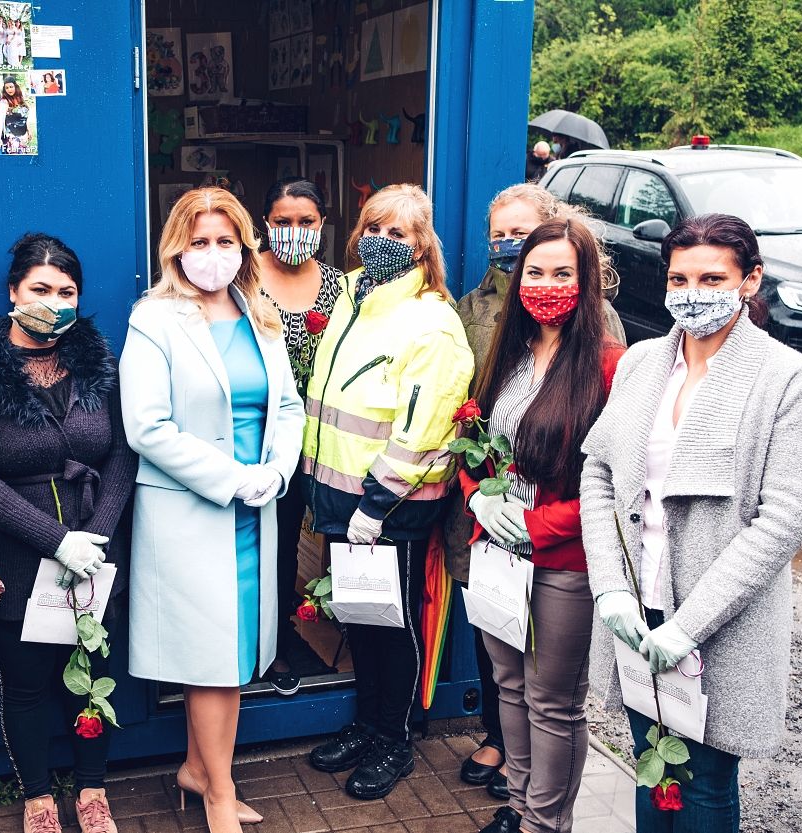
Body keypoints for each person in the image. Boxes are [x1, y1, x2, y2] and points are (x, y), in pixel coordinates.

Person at [581, 214, 802, 833]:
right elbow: (599, 473)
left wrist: (688, 627)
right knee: (650, 764)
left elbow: (783, 520)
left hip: (720, 622)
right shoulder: (641, 364)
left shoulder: (786, 378)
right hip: (640, 608)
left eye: (712, 278)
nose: (692, 293)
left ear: (751, 280)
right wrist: (610, 587)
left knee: (706, 784)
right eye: (678, 278)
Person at [0, 234, 136, 833]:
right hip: (16, 557)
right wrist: (55, 542)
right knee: (24, 684)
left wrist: (97, 535)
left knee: (93, 679)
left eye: (66, 291)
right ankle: (38, 797)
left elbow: (124, 449)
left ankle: (93, 790)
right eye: (41, 290)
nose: (54, 301)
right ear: (13, 293)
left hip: (96, 550)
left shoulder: (96, 360)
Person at [120, 187, 305, 833]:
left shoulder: (260, 310)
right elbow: (147, 427)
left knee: (234, 650)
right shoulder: (155, 317)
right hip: (194, 513)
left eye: (225, 241)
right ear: (177, 246)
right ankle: (219, 793)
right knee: (213, 658)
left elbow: (287, 406)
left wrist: (277, 471)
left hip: (256, 510)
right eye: (200, 241)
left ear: (244, 247)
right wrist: (233, 478)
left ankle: (199, 768)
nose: (213, 253)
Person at [445, 182, 626, 799]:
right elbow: (475, 432)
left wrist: (537, 526)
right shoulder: (508, 349)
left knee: (552, 702)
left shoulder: (607, 362)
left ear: (586, 280)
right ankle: (519, 807)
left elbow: (613, 482)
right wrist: (477, 493)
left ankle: (545, 819)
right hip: (497, 551)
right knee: (509, 685)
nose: (544, 284)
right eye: (533, 272)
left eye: (561, 272)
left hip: (559, 560)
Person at [302, 184, 473, 801]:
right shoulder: (351, 292)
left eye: (398, 234)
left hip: (386, 505)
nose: (382, 242)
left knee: (391, 622)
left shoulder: (433, 321)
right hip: (335, 491)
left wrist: (377, 504)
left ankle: (395, 741)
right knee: (360, 619)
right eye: (374, 228)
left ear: (423, 244)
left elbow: (424, 429)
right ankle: (366, 724)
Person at [256, 177, 343, 697]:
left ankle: (298, 629)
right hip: (261, 439)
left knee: (305, 542)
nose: (294, 231)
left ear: (322, 225)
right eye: (283, 221)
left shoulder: (340, 286)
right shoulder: (243, 280)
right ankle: (267, 644)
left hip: (325, 439)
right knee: (267, 543)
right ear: (265, 224)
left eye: (305, 222)